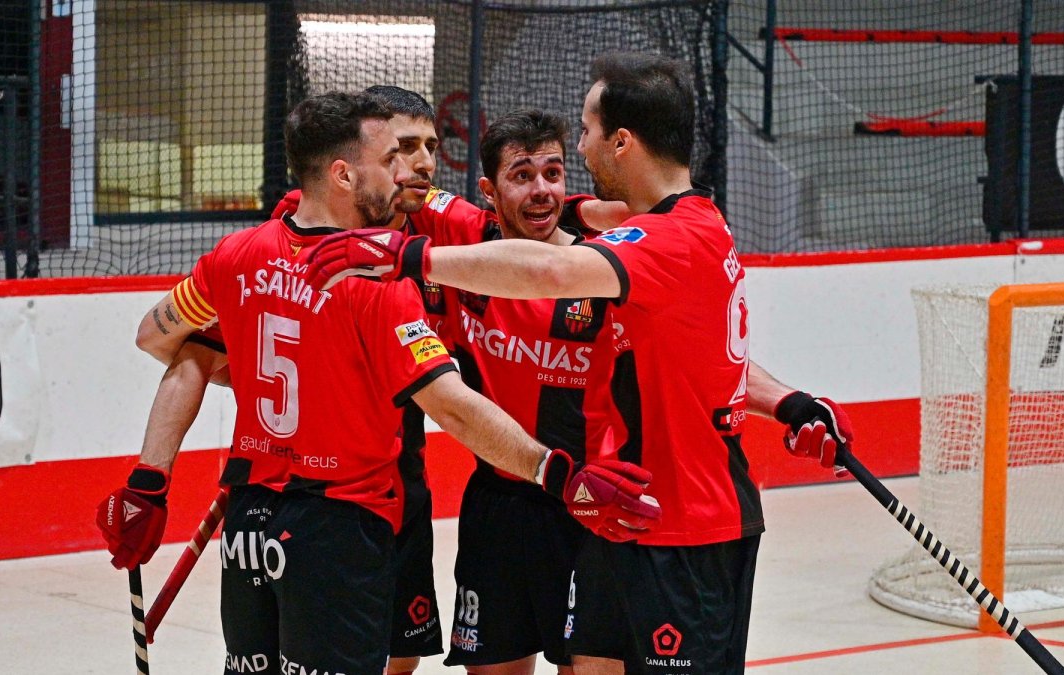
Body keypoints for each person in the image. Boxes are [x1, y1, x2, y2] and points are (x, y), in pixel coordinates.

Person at [302, 54, 855, 675]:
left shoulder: (630, 253)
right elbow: (688, 358)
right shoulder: (502, 234)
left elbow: (550, 269)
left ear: (620, 142)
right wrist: (788, 401)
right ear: (490, 192)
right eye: (523, 175)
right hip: (567, 514)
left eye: (570, 155)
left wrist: (406, 255)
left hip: (626, 506)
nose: (552, 180)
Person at [98, 90, 660, 675]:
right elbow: (453, 406)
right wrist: (558, 473)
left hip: (259, 513)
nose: (411, 168)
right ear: (346, 170)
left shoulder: (240, 251)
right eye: (395, 153)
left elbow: (166, 341)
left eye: (424, 151)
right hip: (346, 517)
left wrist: (149, 480)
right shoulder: (379, 278)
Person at [413, 109, 629, 674]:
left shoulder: (604, 263)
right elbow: (401, 186)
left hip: (589, 507)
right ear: (488, 191)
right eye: (522, 175)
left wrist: (585, 209)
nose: (541, 191)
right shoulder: (462, 234)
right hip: (498, 504)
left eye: (553, 174)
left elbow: (671, 211)